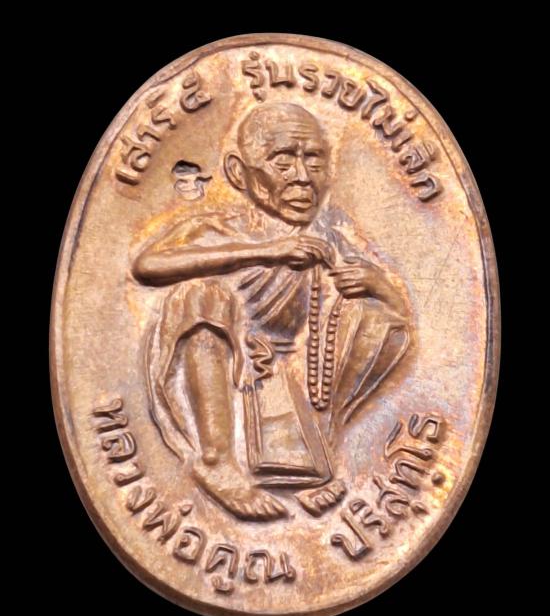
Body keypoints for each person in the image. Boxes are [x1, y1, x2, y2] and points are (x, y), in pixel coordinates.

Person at [133, 102, 411, 521]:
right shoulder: (220, 229)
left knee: (375, 317)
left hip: (291, 381)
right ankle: (216, 459)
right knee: (201, 297)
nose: (302, 177)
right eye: (283, 161)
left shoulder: (329, 238)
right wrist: (266, 251)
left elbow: (397, 320)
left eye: (313, 160)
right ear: (238, 172)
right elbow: (147, 266)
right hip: (223, 365)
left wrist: (378, 285)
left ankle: (322, 454)